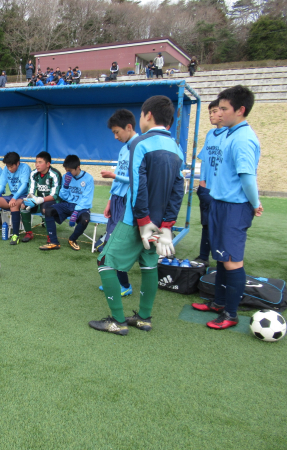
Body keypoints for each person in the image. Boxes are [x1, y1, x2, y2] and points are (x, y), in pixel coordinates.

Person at [90, 95, 184, 335]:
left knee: (104, 263)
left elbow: (138, 185)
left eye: (141, 115)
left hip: (137, 221)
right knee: (149, 265)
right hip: (159, 224)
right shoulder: (176, 148)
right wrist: (166, 226)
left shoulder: (140, 143)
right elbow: (177, 191)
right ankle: (143, 318)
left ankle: (118, 321)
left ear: (148, 115)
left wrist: (143, 222)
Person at [191, 85, 262, 330]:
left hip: (234, 208)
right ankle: (219, 303)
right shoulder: (229, 134)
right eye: (218, 108)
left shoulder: (243, 139)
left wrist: (255, 203)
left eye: (224, 109)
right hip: (219, 203)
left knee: (232, 261)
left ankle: (231, 314)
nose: (219, 113)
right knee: (221, 259)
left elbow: (247, 177)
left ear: (240, 110)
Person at [98, 109, 140, 297]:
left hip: (127, 202)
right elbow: (119, 180)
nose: (115, 136)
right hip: (116, 200)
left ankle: (125, 285)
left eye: (117, 132)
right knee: (109, 240)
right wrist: (109, 200)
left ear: (129, 127)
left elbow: (137, 179)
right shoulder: (124, 148)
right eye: (113, 132)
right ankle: (114, 281)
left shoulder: (139, 147)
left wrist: (114, 175)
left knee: (118, 244)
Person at [192, 99, 227, 267]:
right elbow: (205, 160)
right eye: (210, 112)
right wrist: (202, 183)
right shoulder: (210, 135)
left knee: (222, 226)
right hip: (206, 189)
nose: (211, 115)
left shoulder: (231, 134)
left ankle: (223, 258)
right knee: (206, 224)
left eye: (214, 111)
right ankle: (203, 257)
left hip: (222, 191)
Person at [39, 155, 94, 251]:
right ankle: (54, 242)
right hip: (67, 204)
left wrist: (76, 211)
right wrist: (65, 186)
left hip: (81, 207)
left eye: (70, 171)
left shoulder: (88, 178)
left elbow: (86, 199)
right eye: (66, 170)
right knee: (48, 211)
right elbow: (63, 196)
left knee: (85, 219)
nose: (67, 173)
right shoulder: (66, 177)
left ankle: (72, 239)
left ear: (78, 167)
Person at [0, 152, 31, 242]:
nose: (9, 169)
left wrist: (15, 198)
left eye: (11, 167)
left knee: (13, 204)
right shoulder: (6, 168)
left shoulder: (25, 168)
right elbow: (2, 184)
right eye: (8, 166)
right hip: (12, 196)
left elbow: (24, 185)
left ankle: (15, 235)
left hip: (24, 196)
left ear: (18, 163)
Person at [21, 151, 62, 243]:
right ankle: (28, 232)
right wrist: (30, 198)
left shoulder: (54, 174)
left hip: (53, 202)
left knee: (45, 209)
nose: (37, 165)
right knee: (23, 205)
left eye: (40, 162)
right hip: (38, 200)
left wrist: (39, 200)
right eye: (36, 162)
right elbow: (31, 191)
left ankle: (50, 236)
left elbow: (54, 196)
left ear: (48, 164)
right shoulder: (33, 173)